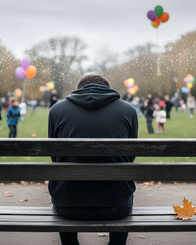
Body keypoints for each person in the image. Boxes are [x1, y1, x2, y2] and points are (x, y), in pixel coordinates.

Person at [48, 74, 138, 245]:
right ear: (107, 88)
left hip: (68, 205)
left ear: (79, 89)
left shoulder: (56, 110)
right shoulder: (129, 111)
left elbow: (55, 157)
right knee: (122, 188)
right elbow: (130, 156)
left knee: (64, 185)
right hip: (116, 205)